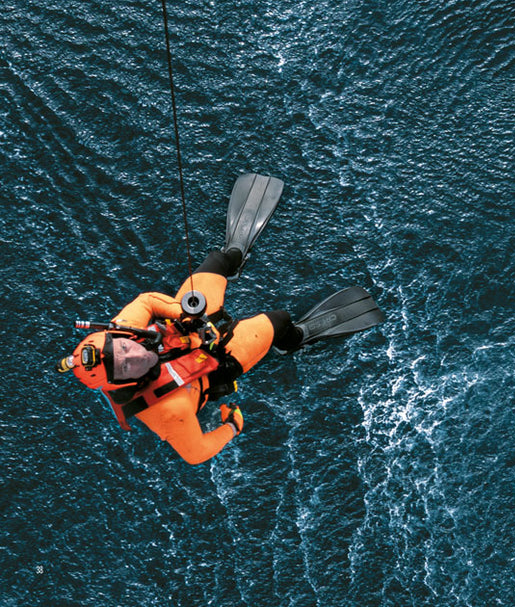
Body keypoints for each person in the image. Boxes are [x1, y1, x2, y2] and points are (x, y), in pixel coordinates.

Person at [56, 175, 383, 464]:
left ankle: (234, 256)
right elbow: (195, 454)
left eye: (126, 348)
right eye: (126, 366)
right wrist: (231, 427)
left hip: (191, 325)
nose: (136, 354)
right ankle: (295, 338)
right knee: (279, 319)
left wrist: (185, 315)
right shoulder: (170, 413)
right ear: (122, 382)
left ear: (118, 336)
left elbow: (148, 301)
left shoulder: (121, 329)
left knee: (217, 260)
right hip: (214, 362)